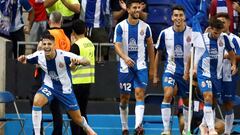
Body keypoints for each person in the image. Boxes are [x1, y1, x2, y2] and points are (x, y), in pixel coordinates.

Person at [17, 34, 97, 135]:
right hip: (49, 87)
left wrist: (79, 61)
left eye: (49, 44)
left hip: (65, 90)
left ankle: (87, 128)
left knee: (77, 119)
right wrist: (23, 58)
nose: (46, 46)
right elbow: (26, 58)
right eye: (44, 44)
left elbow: (87, 61)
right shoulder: (39, 55)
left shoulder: (64, 56)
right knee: (36, 101)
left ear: (54, 45)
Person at [113, 0, 154, 134]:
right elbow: (117, 45)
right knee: (124, 99)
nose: (137, 10)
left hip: (141, 67)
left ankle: (138, 127)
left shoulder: (146, 27)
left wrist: (152, 68)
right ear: (128, 10)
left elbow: (150, 47)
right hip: (125, 67)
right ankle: (125, 127)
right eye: (134, 8)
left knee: (139, 94)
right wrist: (125, 58)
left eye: (139, 7)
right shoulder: (120, 27)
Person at [194, 17, 237, 135]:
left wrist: (233, 64)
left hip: (217, 75)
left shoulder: (224, 38)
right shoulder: (202, 38)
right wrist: (192, 69)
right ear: (210, 29)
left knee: (212, 102)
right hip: (203, 72)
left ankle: (203, 125)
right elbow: (193, 54)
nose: (217, 35)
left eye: (219, 32)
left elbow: (232, 53)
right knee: (207, 96)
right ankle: (211, 129)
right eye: (215, 32)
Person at [153, 5, 192, 135]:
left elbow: (197, 52)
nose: (178, 18)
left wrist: (193, 70)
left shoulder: (192, 33)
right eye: (176, 15)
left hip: (186, 72)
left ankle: (187, 129)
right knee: (168, 94)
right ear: (171, 17)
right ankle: (166, 130)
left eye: (180, 15)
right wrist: (154, 74)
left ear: (184, 17)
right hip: (170, 69)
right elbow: (158, 53)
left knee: (186, 100)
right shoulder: (165, 33)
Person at [69, 19, 95, 135]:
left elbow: (71, 66)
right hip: (87, 82)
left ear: (73, 32)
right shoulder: (90, 43)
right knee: (83, 112)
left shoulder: (76, 46)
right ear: (84, 30)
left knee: (74, 114)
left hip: (76, 82)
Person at [216, 12, 240, 135]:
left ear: (229, 23)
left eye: (223, 22)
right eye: (218, 22)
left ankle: (227, 132)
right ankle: (209, 127)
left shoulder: (236, 39)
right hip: (214, 75)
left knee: (228, 103)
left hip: (229, 75)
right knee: (211, 100)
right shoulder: (211, 36)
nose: (221, 24)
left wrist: (229, 57)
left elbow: (239, 55)